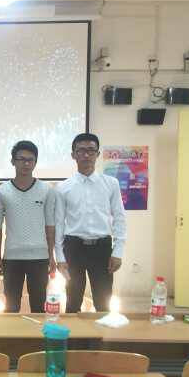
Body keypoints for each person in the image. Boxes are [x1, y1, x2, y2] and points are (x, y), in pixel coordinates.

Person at [55, 133, 127, 313]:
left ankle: (101, 332)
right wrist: (60, 257)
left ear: (97, 154)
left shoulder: (111, 184)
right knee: (73, 301)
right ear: (73, 155)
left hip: (102, 249)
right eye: (81, 151)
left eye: (91, 150)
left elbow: (119, 217)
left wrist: (118, 251)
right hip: (73, 248)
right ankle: (73, 332)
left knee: (103, 302)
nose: (86, 155)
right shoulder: (63, 187)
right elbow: (59, 224)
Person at [0, 141, 57, 313]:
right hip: (12, 257)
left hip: (40, 256)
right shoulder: (1, 191)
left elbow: (50, 225)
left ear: (35, 162)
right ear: (13, 161)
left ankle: (39, 332)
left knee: (39, 306)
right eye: (21, 159)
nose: (26, 163)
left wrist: (52, 256)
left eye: (30, 160)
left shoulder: (47, 189)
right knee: (11, 307)